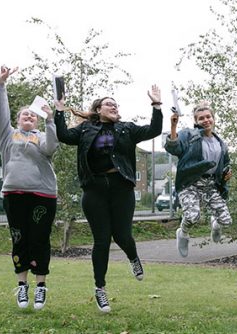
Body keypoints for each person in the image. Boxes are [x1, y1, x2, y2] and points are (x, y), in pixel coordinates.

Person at [54, 85, 163, 313]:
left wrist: (156, 105)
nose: (114, 107)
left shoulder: (126, 129)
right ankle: (100, 289)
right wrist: (59, 110)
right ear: (98, 109)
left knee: (122, 236)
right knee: (102, 241)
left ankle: (133, 258)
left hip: (120, 188)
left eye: (116, 104)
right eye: (109, 104)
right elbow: (63, 135)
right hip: (94, 190)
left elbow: (154, 130)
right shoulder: (85, 130)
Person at [0, 66, 59, 310]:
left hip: (43, 194)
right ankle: (22, 287)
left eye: (32, 116)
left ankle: (41, 286)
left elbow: (51, 147)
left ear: (37, 119)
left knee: (40, 239)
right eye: (24, 116)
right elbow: (1, 114)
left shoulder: (41, 137)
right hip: (14, 194)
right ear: (18, 119)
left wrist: (50, 120)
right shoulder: (7, 136)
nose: (28, 118)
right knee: (19, 239)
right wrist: (0, 86)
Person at [164, 102, 233, 257]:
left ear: (213, 119)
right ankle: (183, 233)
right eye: (201, 118)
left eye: (208, 116)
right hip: (190, 182)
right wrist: (173, 126)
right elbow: (174, 147)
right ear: (196, 121)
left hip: (211, 185)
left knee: (226, 220)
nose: (205, 120)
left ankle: (215, 223)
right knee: (192, 216)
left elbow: (225, 163)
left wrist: (227, 172)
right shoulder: (189, 135)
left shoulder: (220, 143)